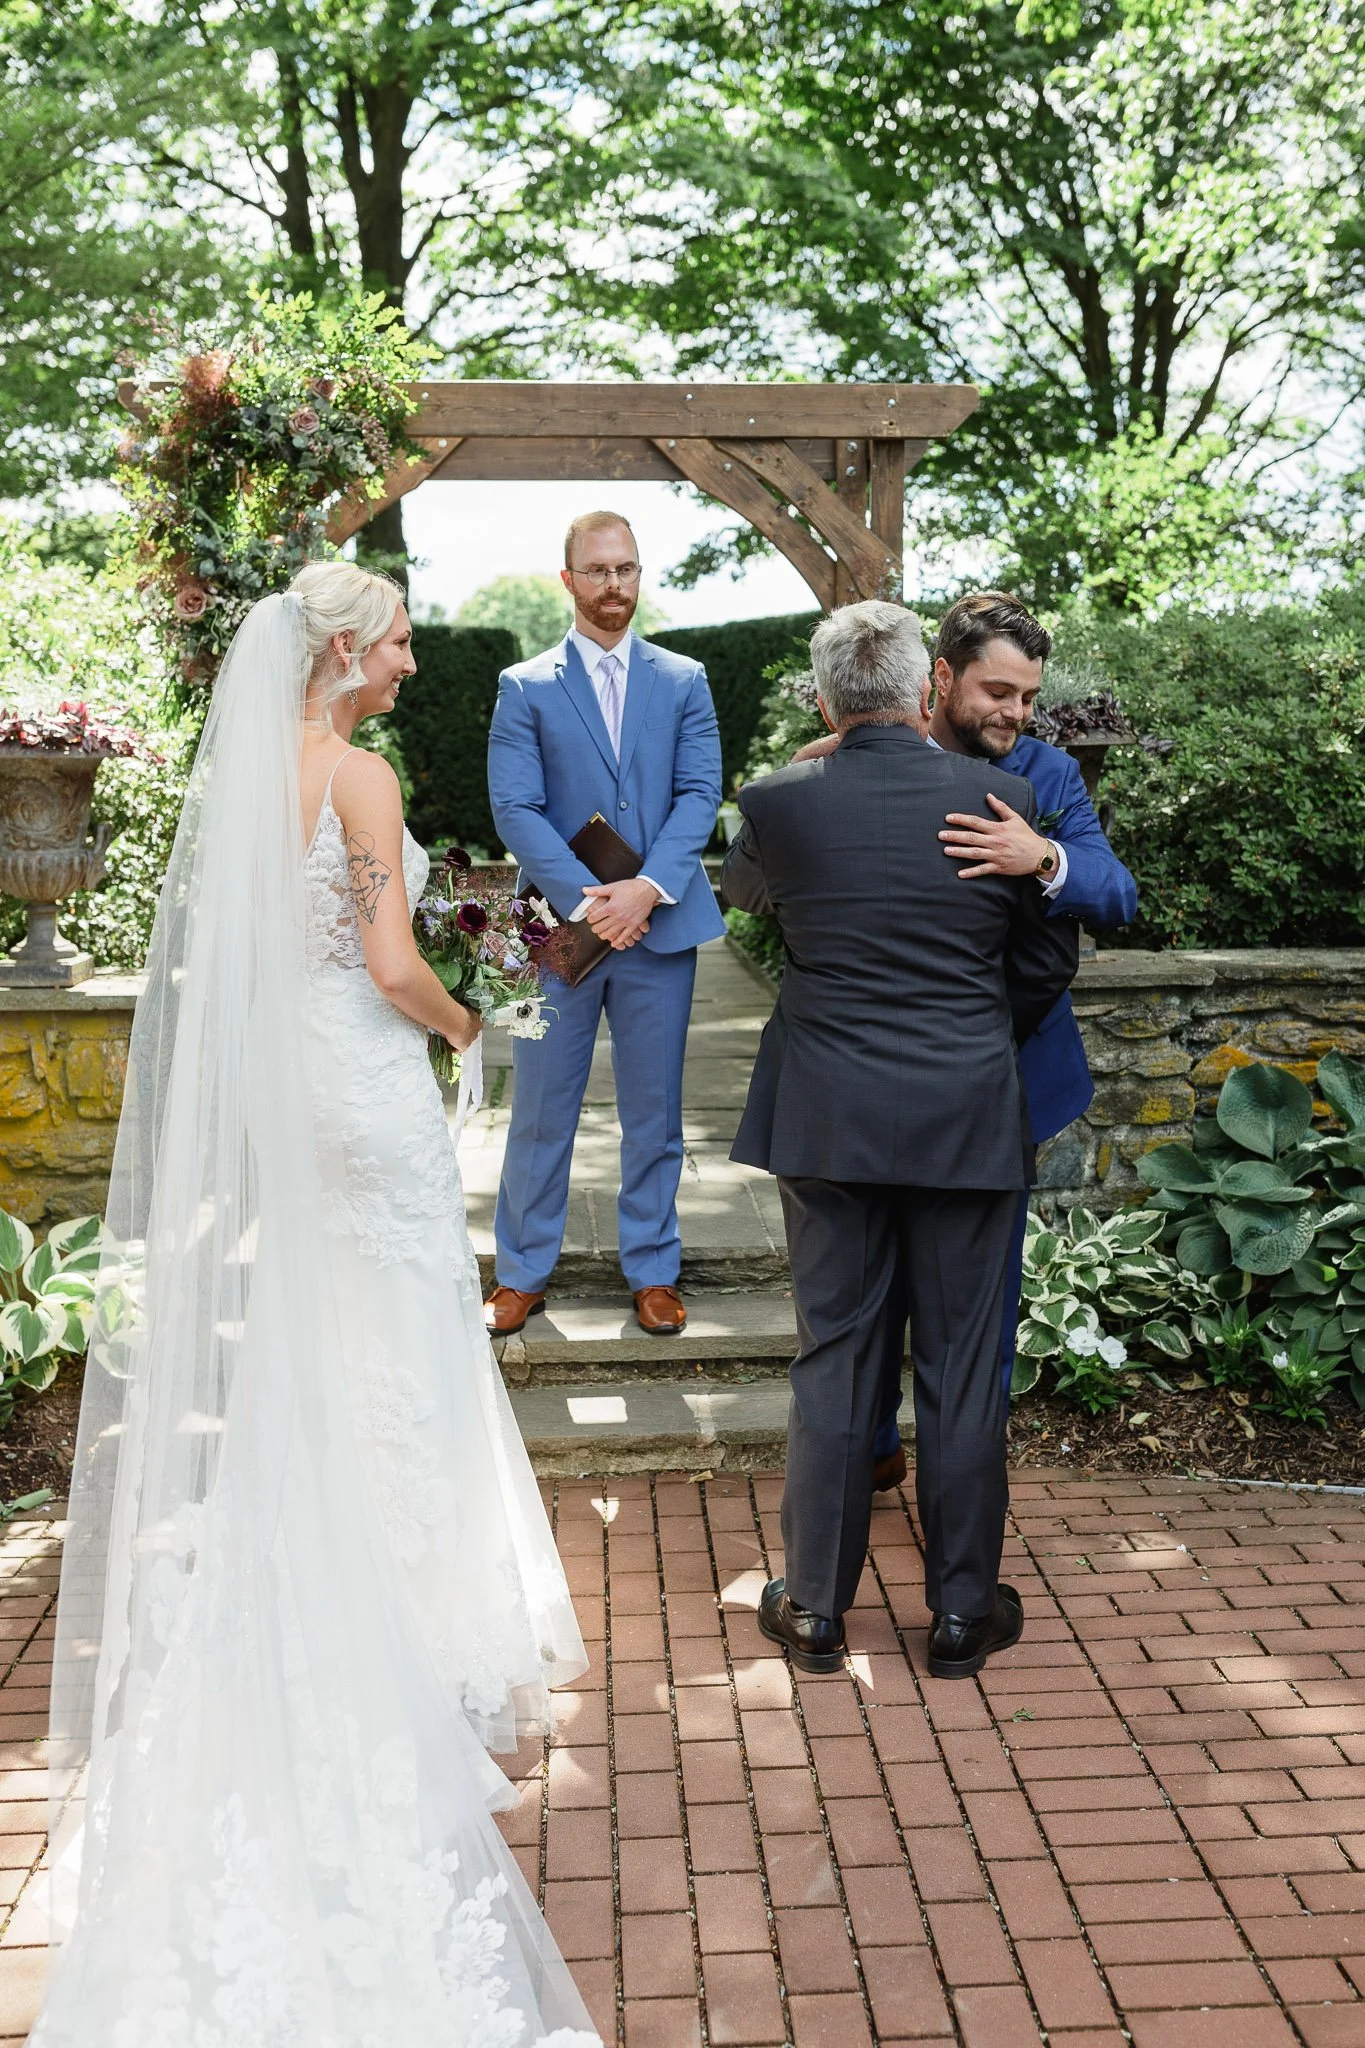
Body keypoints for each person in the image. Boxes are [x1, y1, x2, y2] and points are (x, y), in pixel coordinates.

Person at [35, 565, 600, 2046]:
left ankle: (335, 1576)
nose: (414, 661)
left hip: (299, 1095)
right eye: (403, 639)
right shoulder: (357, 771)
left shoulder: (243, 782)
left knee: (323, 1344)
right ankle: (411, 1618)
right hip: (361, 1087)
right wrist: (477, 1016)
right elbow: (390, 960)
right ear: (349, 648)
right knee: (404, 1339)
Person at [721, 601, 1078, 1681]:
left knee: (838, 1356)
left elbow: (746, 901)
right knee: (965, 1369)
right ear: (927, 692)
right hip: (967, 1113)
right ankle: (962, 1614)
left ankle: (818, 1610)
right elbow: (1045, 964)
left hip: (826, 1114)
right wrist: (970, 1034)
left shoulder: (777, 802)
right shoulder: (1004, 800)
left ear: (825, 698)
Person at [867, 591, 1137, 1487]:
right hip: (881, 1075)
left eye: (1026, 696)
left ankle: (960, 1483)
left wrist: (1043, 859)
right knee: (872, 1289)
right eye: (995, 692)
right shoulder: (867, 760)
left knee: (972, 1305)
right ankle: (866, 1450)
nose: (1013, 714)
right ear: (940, 678)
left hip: (1008, 1081)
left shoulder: (1048, 777)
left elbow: (1116, 891)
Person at [485, 511, 724, 1338]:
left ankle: (653, 1269)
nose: (613, 585)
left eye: (625, 568)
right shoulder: (525, 685)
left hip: (661, 926)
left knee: (654, 1110)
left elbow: (700, 795)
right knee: (541, 1105)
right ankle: (520, 1273)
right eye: (597, 570)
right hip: (557, 931)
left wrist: (647, 888)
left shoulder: (685, 679)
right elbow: (514, 807)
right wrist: (594, 898)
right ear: (568, 579)